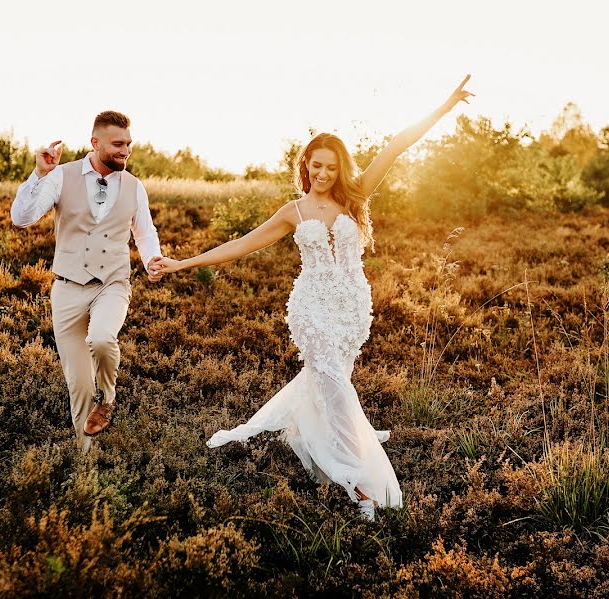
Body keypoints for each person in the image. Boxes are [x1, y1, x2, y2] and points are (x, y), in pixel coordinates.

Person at [151, 76, 474, 520]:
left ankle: (311, 439)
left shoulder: (355, 197)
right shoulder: (293, 212)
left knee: (330, 386)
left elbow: (396, 145)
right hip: (311, 308)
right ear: (306, 166)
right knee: (336, 388)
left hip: (352, 308)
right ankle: (357, 483)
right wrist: (182, 263)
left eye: (330, 166)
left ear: (340, 167)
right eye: (315, 166)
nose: (323, 174)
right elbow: (240, 245)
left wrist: (445, 107)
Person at [11, 111, 164, 452]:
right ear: (95, 143)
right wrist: (39, 174)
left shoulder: (134, 187)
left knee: (101, 338)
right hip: (66, 288)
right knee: (78, 384)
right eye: (117, 144)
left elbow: (145, 232)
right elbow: (22, 219)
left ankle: (108, 397)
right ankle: (86, 461)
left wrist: (152, 260)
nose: (125, 151)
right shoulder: (61, 177)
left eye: (128, 144)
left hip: (112, 283)